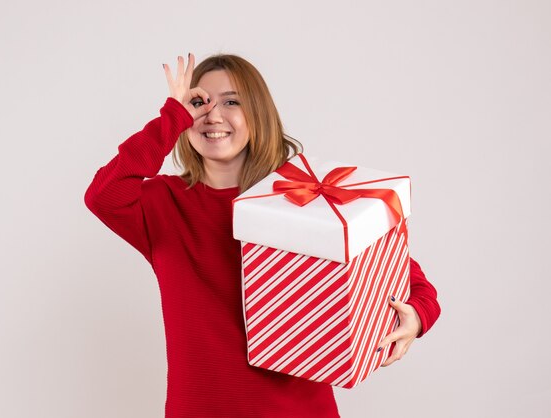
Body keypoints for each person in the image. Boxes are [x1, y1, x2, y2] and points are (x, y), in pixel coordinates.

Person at [84, 53, 441, 418]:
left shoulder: (302, 197)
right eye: (199, 103)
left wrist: (417, 314)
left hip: (297, 410)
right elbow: (102, 195)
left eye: (231, 102)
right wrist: (171, 117)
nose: (213, 115)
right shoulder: (163, 204)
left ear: (257, 114)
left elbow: (403, 274)